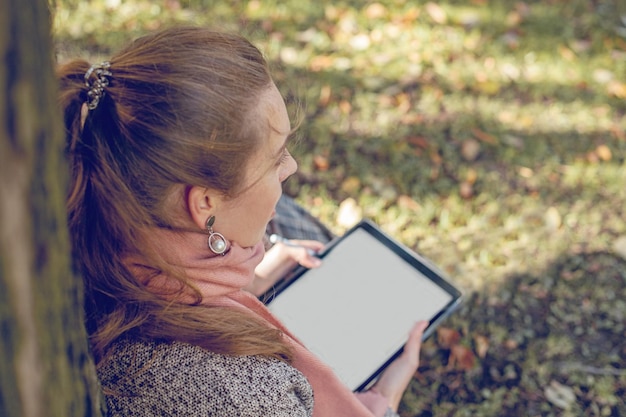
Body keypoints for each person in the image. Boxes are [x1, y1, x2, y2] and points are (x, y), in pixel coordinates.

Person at [58, 26, 428, 417]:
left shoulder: (85, 231)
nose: (292, 167)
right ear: (204, 203)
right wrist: (383, 404)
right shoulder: (248, 395)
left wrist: (246, 285)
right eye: (276, 158)